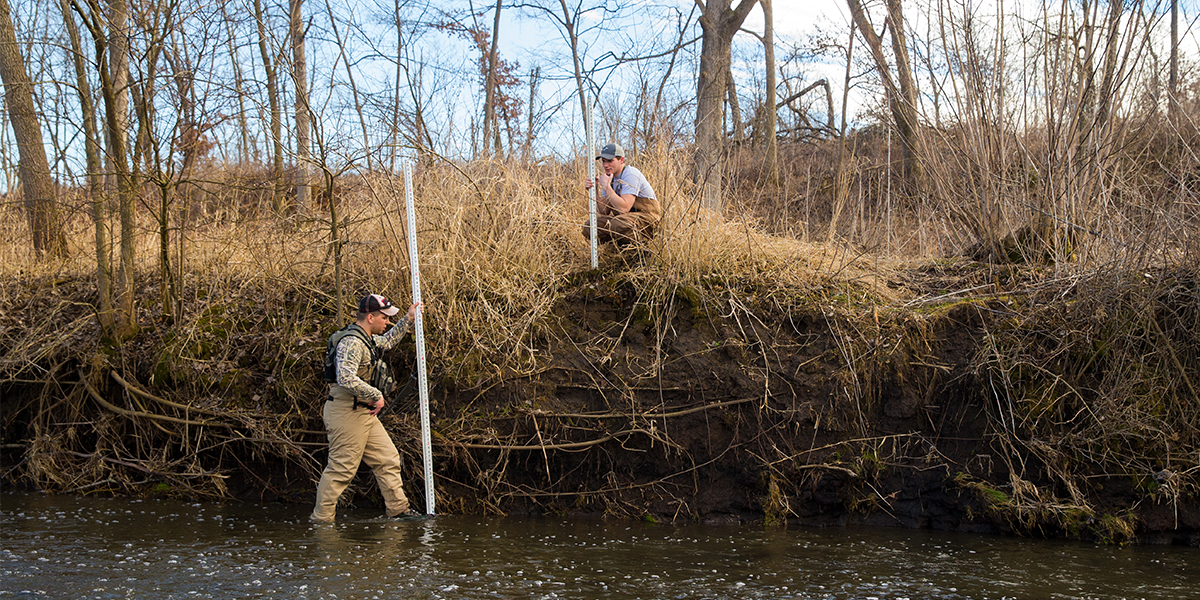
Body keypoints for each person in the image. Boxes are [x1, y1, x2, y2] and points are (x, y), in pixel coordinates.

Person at [310, 293, 422, 522]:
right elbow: (345, 378)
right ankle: (321, 520)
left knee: (387, 458)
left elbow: (388, 341)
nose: (387, 322)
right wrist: (376, 395)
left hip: (363, 412)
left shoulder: (367, 338)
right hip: (346, 412)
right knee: (342, 469)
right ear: (370, 317)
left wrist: (408, 319)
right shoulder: (352, 342)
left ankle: (398, 510)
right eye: (384, 318)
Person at [583, 143, 661, 245]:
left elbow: (624, 209)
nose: (605, 165)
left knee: (618, 224)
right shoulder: (609, 178)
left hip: (647, 219)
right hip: (625, 220)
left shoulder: (630, 174)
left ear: (622, 160)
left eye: (610, 161)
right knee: (590, 226)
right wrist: (595, 189)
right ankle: (616, 249)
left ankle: (641, 249)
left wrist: (606, 187)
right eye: (604, 161)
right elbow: (603, 211)